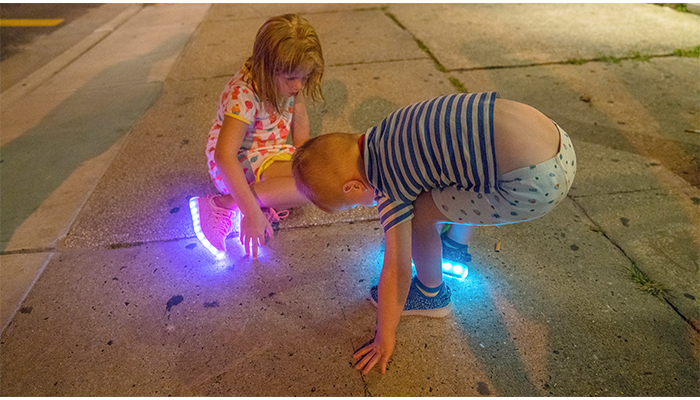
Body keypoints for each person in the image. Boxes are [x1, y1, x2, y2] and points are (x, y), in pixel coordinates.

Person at [291, 92, 576, 374]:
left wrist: (384, 335)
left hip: (533, 186)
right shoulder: (391, 128)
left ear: (353, 187)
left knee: (418, 215)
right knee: (460, 169)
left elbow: (397, 268)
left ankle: (431, 294)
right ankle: (453, 247)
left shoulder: (388, 182)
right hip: (558, 142)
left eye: (354, 203)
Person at [189, 14, 324, 259]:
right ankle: (222, 204)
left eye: (304, 77)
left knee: (316, 178)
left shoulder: (288, 79)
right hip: (238, 161)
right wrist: (251, 213)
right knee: (309, 188)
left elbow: (300, 114)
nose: (298, 86)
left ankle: (253, 201)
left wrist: (304, 157)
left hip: (271, 153)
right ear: (267, 67)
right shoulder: (244, 94)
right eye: (292, 78)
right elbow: (224, 155)